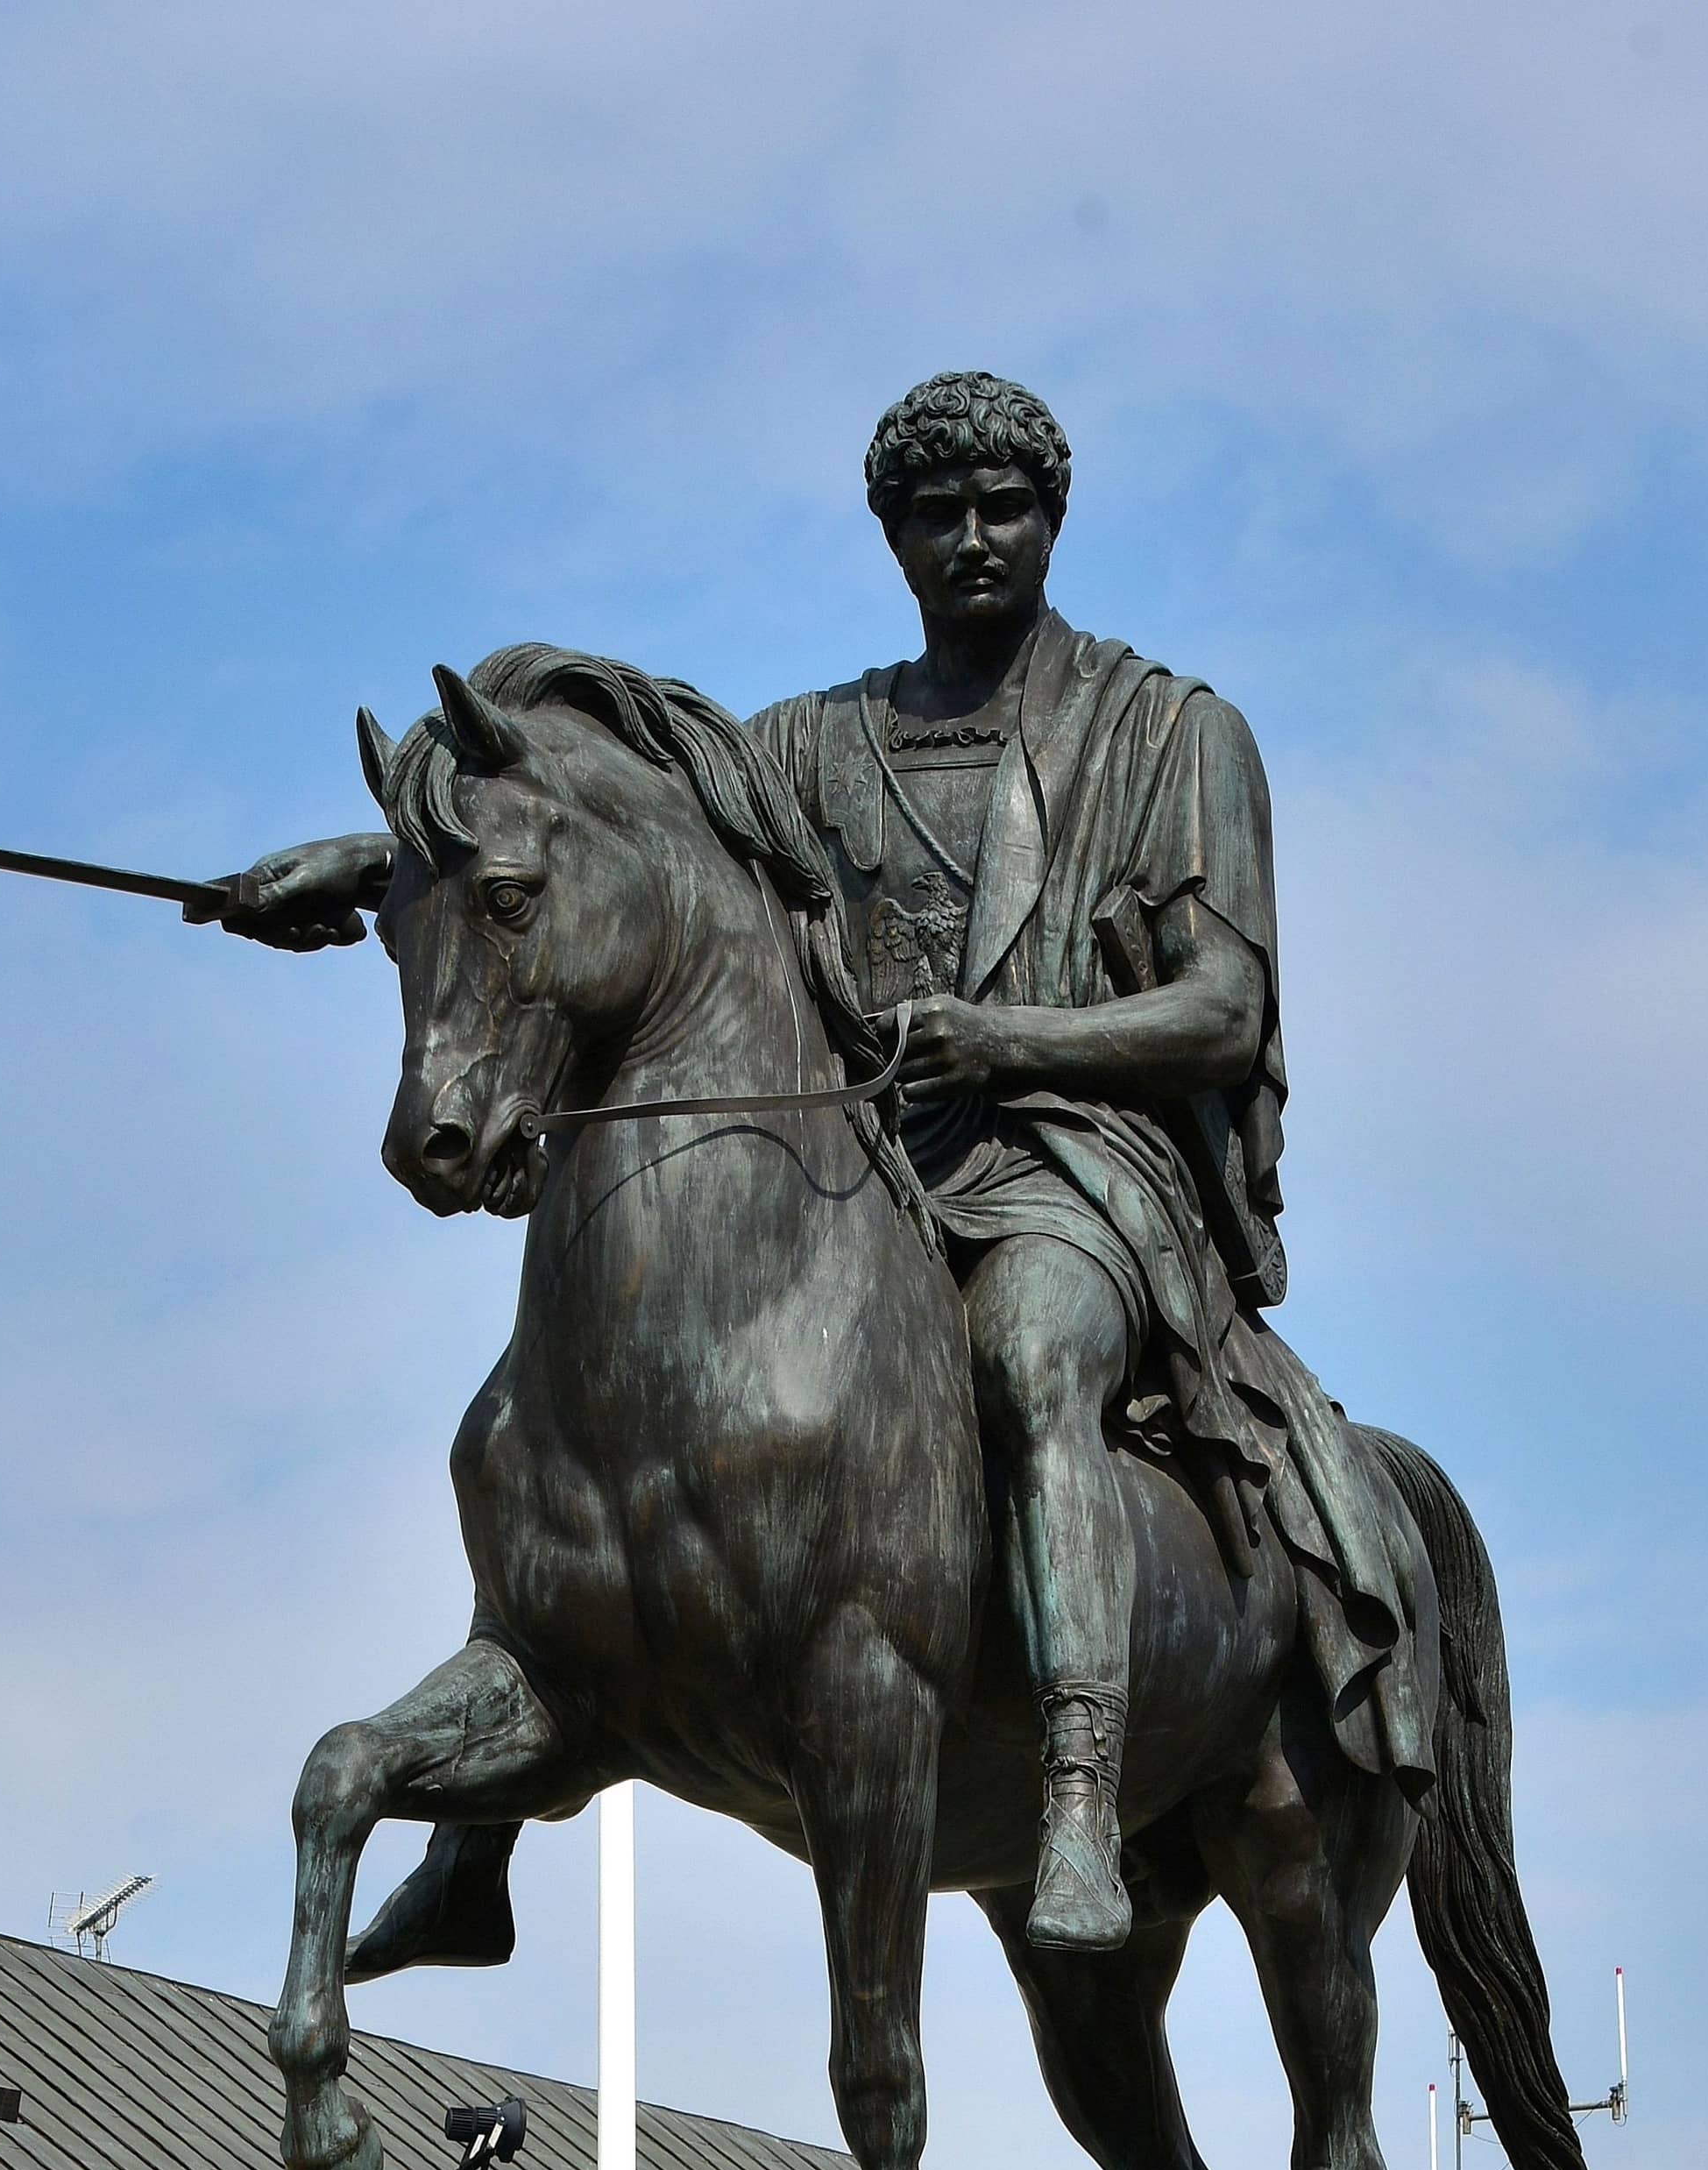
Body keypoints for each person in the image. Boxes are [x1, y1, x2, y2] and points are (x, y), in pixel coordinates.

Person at [209, 370, 1428, 1955]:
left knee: (1027, 1348)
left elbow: (1223, 1005)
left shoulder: (1171, 734)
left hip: (1080, 1168)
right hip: (873, 1165)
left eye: (1006, 509)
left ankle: (1074, 1789)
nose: (974, 539)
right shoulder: (806, 748)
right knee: (589, 1392)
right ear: (891, 535)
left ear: (1057, 520)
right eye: (938, 515)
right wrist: (373, 861)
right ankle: (485, 1834)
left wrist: (1014, 1044)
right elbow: (581, 839)